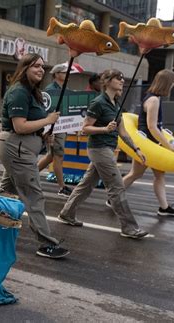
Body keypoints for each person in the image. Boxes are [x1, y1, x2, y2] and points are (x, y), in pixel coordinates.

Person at [57, 69, 149, 239]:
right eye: (118, 78)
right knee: (116, 186)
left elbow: (123, 132)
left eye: (122, 78)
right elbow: (85, 128)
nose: (122, 80)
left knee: (86, 185)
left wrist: (136, 149)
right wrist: (104, 129)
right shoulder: (98, 103)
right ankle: (129, 227)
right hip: (99, 149)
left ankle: (66, 213)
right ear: (107, 81)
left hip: (107, 148)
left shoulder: (117, 104)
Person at [0, 53, 68, 259]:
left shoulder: (32, 92)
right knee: (33, 195)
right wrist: (48, 120)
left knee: (5, 192)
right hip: (16, 149)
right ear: (25, 68)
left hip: (21, 148)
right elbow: (20, 126)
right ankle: (46, 243)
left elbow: (31, 124)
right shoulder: (18, 92)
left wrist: (43, 135)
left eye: (43, 67)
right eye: (36, 66)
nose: (40, 70)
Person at [122, 69, 174, 216]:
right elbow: (152, 127)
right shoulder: (154, 100)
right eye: (173, 81)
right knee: (137, 174)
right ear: (167, 83)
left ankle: (164, 207)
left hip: (149, 143)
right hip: (148, 144)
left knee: (139, 174)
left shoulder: (153, 98)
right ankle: (163, 207)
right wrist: (168, 146)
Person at [37, 63, 73, 197]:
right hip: (54, 127)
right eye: (64, 72)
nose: (67, 75)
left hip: (62, 125)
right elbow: (47, 109)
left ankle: (31, 176)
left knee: (52, 155)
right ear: (56, 74)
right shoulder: (50, 90)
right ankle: (62, 187)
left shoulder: (64, 88)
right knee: (58, 155)